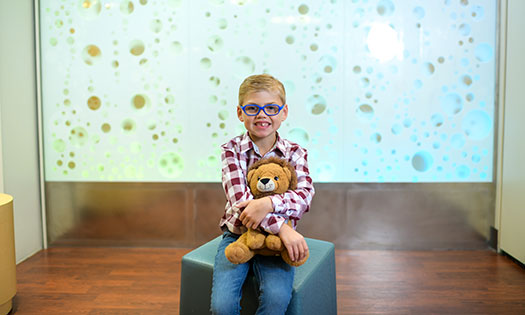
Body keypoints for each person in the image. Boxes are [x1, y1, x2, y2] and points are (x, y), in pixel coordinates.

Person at [210, 74, 315, 315]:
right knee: (221, 306)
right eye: (252, 108)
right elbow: (241, 203)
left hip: (277, 246)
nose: (262, 115)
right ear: (240, 113)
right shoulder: (231, 150)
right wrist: (283, 227)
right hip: (237, 235)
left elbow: (304, 195)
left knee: (276, 299)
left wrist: (267, 202)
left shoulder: (296, 152)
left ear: (284, 112)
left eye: (271, 108)